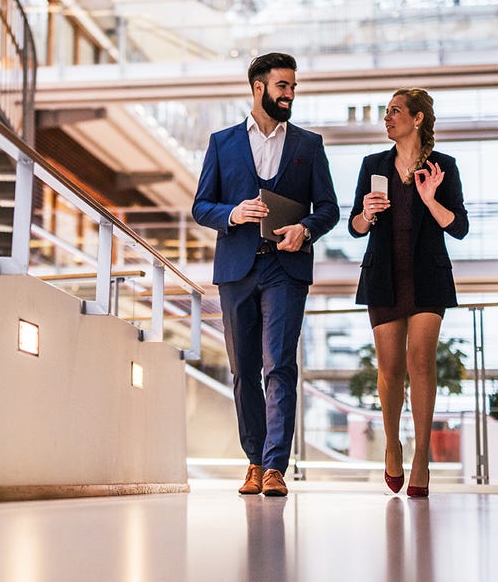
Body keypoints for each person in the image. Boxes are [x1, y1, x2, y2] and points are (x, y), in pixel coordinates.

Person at [192, 52, 339, 496]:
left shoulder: (308, 146)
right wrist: (232, 213)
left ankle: (275, 467)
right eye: (283, 86)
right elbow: (201, 206)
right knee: (244, 371)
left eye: (293, 87)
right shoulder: (222, 142)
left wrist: (305, 229)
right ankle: (253, 461)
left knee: (280, 366)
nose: (290, 94)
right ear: (259, 88)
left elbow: (329, 209)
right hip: (237, 269)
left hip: (285, 268)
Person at [348, 88, 469, 497]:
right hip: (383, 275)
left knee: (421, 361)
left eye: (395, 111)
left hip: (428, 278)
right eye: (385, 112)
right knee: (389, 370)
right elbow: (355, 227)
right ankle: (392, 444)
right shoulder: (372, 165)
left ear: (417, 119)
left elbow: (459, 227)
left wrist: (430, 199)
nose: (387, 118)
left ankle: (421, 455)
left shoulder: (443, 167)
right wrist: (366, 213)